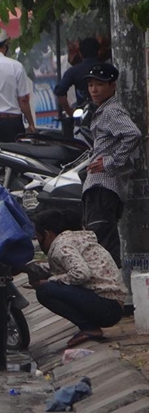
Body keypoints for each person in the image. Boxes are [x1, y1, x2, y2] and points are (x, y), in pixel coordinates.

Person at [29, 209, 125, 348]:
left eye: (38, 237)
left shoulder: (61, 245)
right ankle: (89, 327)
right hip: (113, 304)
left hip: (107, 306)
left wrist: (51, 281)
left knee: (45, 291)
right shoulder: (74, 239)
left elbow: (81, 273)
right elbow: (66, 266)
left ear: (47, 234)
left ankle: (89, 328)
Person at [81, 63, 142, 268]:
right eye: (90, 85)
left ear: (112, 86)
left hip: (104, 186)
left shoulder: (111, 111)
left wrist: (111, 162)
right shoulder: (102, 110)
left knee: (103, 244)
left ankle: (111, 293)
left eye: (99, 84)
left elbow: (133, 134)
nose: (94, 90)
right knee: (99, 241)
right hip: (99, 185)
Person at [54, 37, 100, 116]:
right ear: (98, 52)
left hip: (83, 115)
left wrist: (71, 114)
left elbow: (59, 92)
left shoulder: (73, 71)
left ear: (80, 53)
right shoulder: (108, 68)